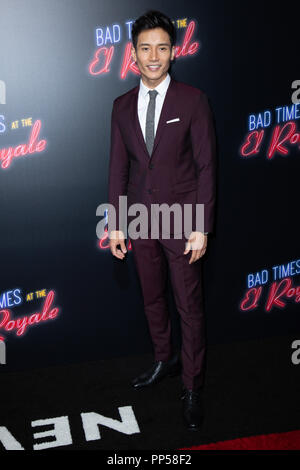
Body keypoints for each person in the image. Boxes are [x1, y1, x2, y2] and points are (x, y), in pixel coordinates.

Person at [108, 10, 216, 431]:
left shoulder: (193, 100)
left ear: (175, 51)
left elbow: (208, 167)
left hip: (184, 220)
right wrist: (117, 222)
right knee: (152, 298)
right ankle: (162, 360)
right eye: (145, 48)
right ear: (133, 53)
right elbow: (118, 168)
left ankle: (192, 385)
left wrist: (202, 226)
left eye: (162, 48)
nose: (154, 56)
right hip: (139, 219)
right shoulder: (119, 106)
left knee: (189, 307)